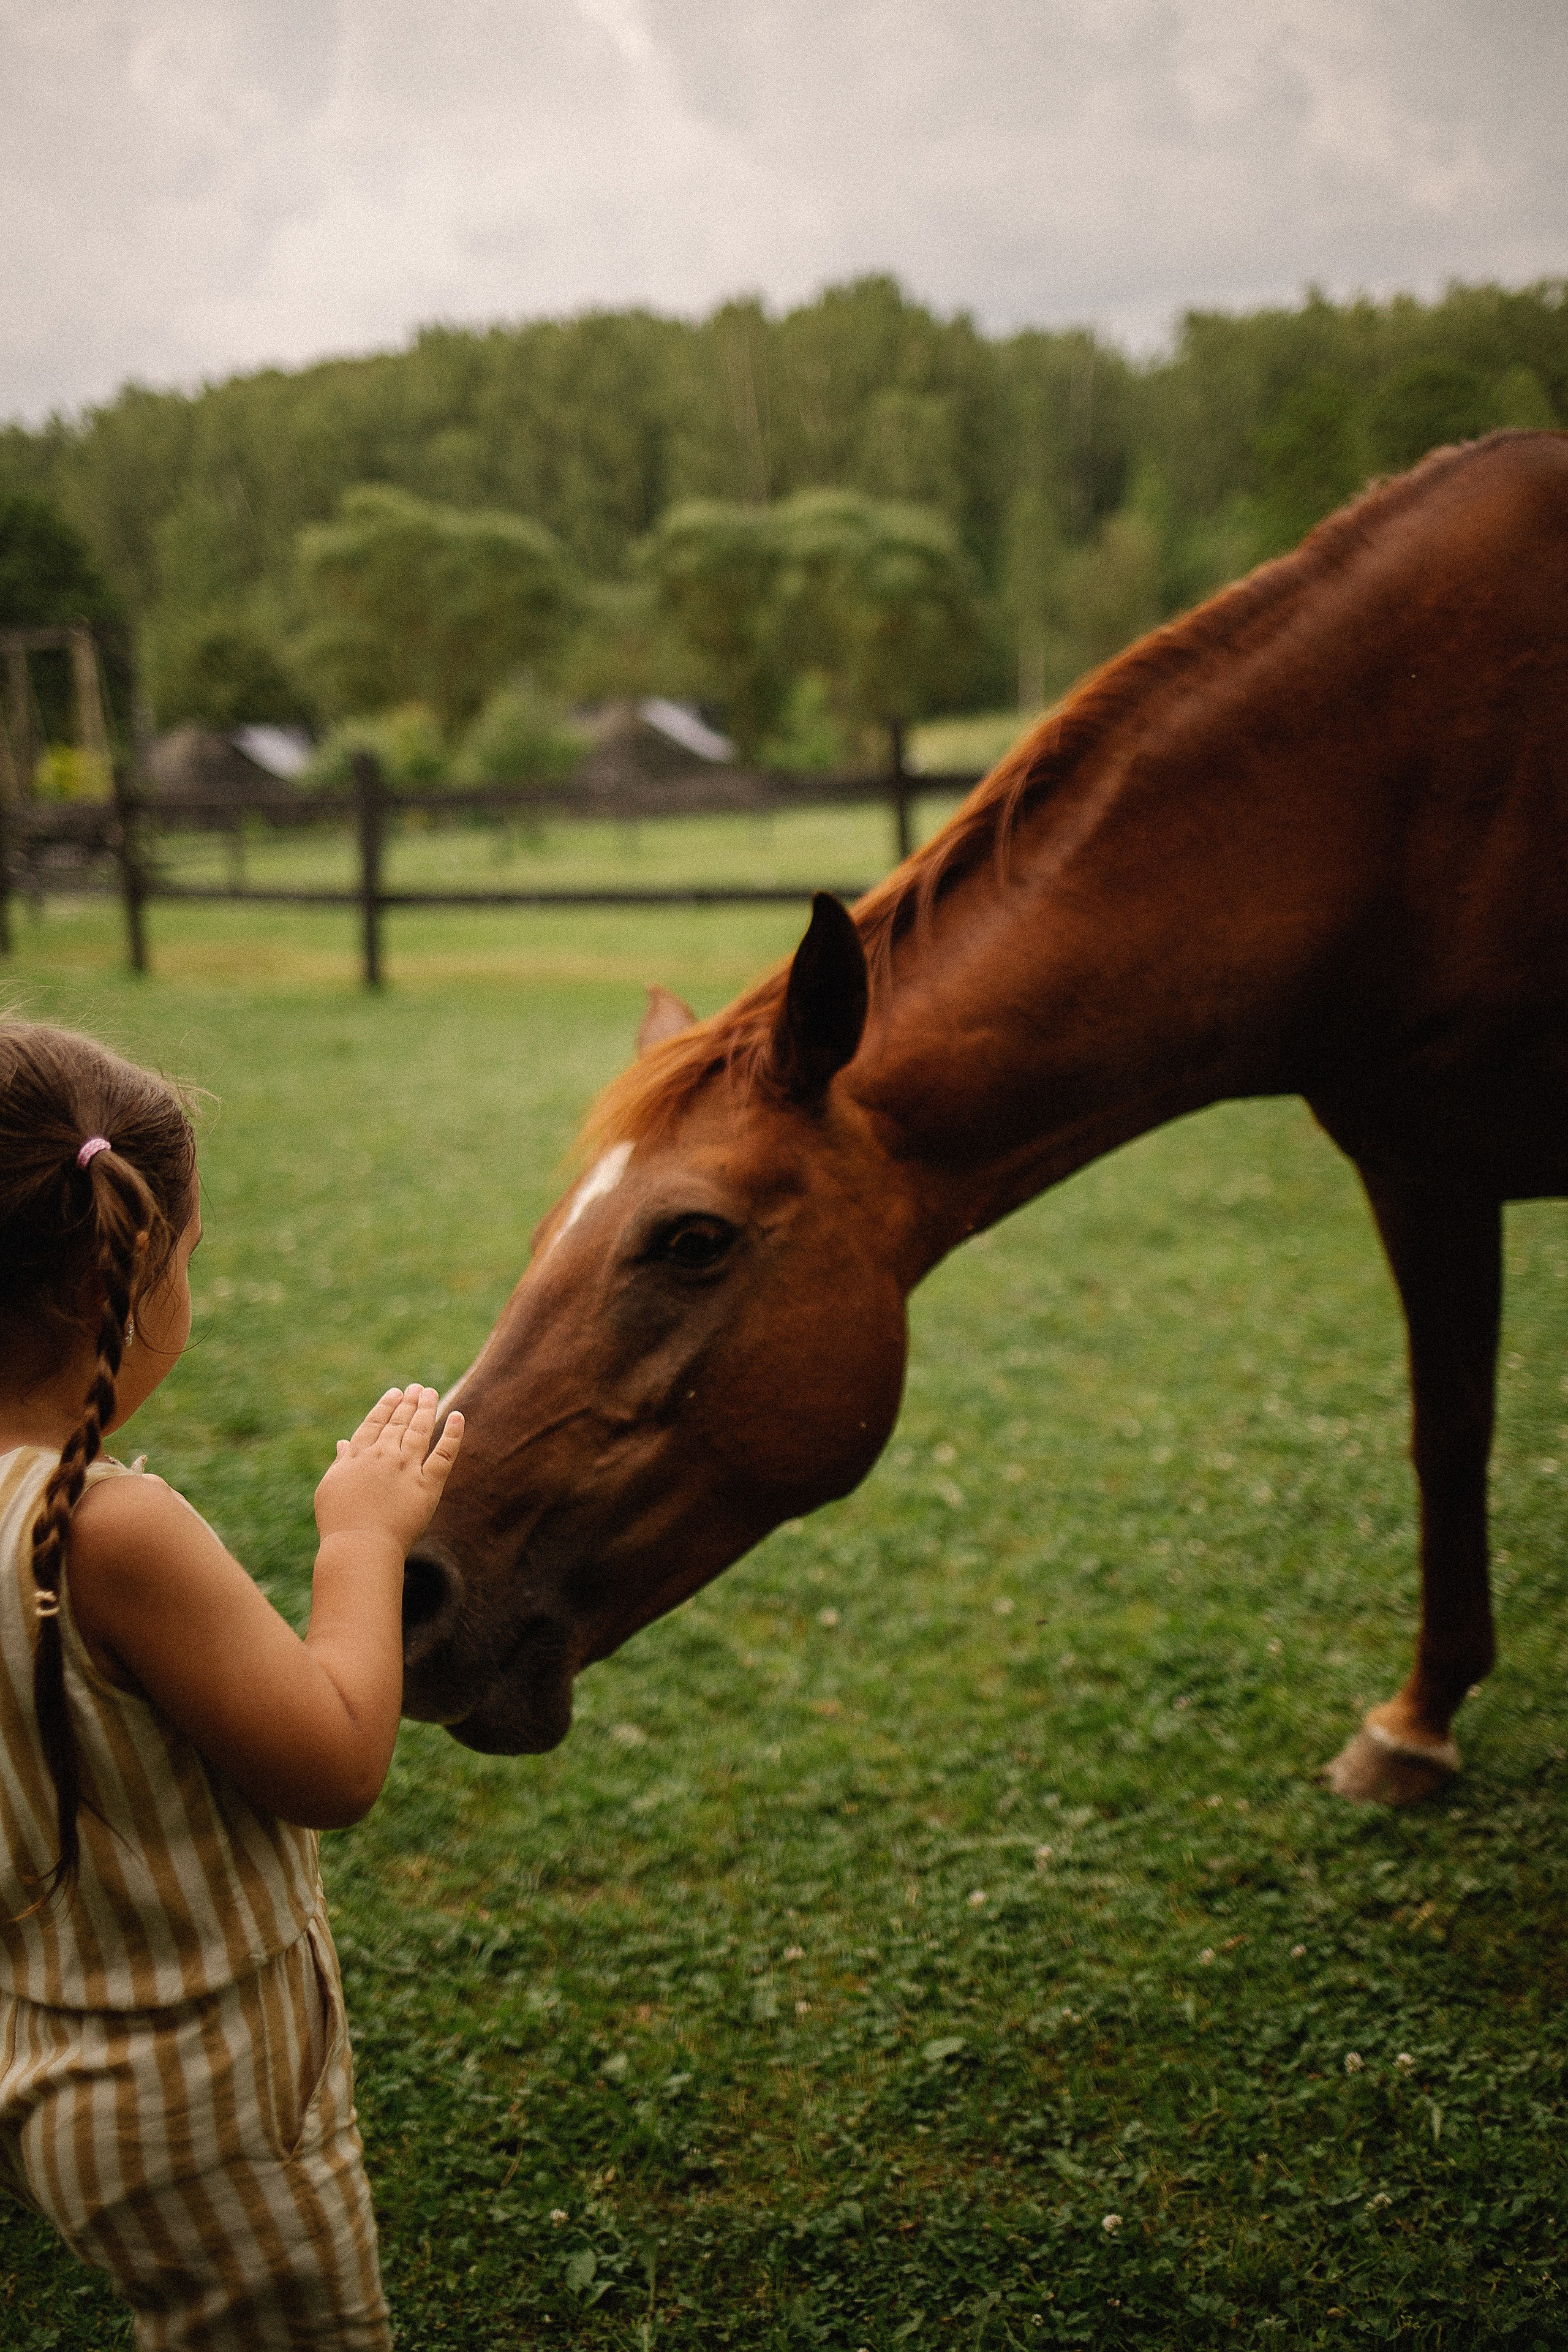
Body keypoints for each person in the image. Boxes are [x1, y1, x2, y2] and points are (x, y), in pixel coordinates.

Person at [0, 1020, 464, 2350]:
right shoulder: (105, 1533)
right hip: (199, 2103)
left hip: (31, 2039)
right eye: (189, 1263)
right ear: (119, 1287)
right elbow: (334, 1761)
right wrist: (361, 1538)